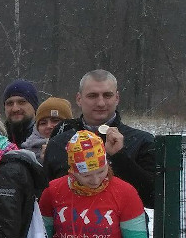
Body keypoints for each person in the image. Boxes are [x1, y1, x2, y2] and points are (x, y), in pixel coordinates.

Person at [44, 70, 155, 209]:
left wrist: (120, 158)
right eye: (92, 96)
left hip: (125, 222)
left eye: (107, 95)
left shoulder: (141, 141)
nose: (101, 103)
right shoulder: (59, 143)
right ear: (79, 99)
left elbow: (154, 198)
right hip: (70, 222)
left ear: (117, 98)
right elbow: (47, 198)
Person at [21, 97, 72, 161]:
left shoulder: (79, 146)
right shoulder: (26, 154)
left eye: (55, 121)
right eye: (43, 123)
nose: (49, 126)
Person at [2, 79, 40, 147]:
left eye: (22, 102)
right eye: (10, 103)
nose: (15, 109)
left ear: (34, 106)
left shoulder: (46, 138)